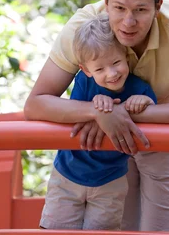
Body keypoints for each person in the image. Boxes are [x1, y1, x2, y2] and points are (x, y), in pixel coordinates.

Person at [25, 0, 169, 232]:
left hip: (166, 138)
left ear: (158, 6)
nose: (128, 22)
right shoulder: (86, 27)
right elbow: (35, 103)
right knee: (117, 229)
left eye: (141, 9)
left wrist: (124, 113)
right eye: (118, 8)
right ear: (106, 3)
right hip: (107, 145)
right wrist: (97, 112)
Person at [40, 14, 157, 230]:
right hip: (69, 173)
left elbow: (154, 112)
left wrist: (145, 101)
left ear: (125, 55)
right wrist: (96, 109)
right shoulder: (84, 82)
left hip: (110, 180)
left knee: (102, 230)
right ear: (86, 69)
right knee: (56, 228)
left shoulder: (139, 88)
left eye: (115, 63)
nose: (111, 74)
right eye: (100, 69)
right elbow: (75, 114)